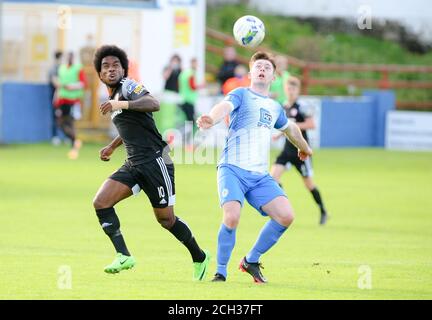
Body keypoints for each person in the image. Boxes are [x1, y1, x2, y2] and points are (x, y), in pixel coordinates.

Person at [92, 45, 210, 281]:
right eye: (106, 66)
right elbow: (130, 125)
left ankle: (199, 256)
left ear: (123, 69)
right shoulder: (113, 96)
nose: (111, 69)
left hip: (156, 161)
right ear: (100, 74)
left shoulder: (128, 86)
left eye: (116, 65)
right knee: (101, 202)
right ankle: (123, 255)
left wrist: (121, 104)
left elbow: (153, 103)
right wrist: (112, 146)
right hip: (133, 163)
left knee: (166, 220)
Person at [197, 52, 312, 283]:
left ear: (273, 77)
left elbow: (290, 129)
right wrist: (211, 118)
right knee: (231, 217)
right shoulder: (241, 94)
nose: (262, 69)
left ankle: (250, 260)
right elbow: (224, 106)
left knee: (286, 216)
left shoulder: (275, 106)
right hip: (233, 169)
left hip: (260, 176)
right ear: (250, 74)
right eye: (258, 66)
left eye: (267, 68)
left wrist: (304, 147)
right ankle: (221, 271)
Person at [270, 76, 329, 225]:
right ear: (285, 89)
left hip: (301, 152)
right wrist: (279, 134)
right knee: (273, 178)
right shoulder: (283, 106)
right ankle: (283, 208)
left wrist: (293, 126)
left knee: (308, 184)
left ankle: (323, 211)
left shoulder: (302, 106)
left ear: (298, 90)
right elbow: (285, 126)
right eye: (288, 88)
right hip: (287, 150)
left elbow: (311, 124)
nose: (291, 91)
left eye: (294, 89)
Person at [55, 52, 86, 159]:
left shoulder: (78, 68)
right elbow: (59, 84)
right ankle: (75, 140)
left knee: (70, 122)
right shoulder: (62, 68)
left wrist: (71, 86)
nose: (69, 59)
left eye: (71, 57)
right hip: (62, 100)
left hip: (73, 100)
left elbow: (82, 83)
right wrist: (56, 97)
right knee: (60, 123)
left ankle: (73, 147)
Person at [178, 57, 204, 150]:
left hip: (182, 99)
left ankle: (185, 141)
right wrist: (201, 86)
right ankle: (187, 142)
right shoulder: (191, 74)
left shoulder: (184, 73)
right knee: (190, 122)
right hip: (189, 100)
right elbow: (192, 86)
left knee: (187, 121)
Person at [48, 50, 63, 145]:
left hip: (64, 97)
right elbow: (56, 83)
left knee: (65, 116)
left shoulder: (64, 69)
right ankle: (55, 136)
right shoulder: (53, 69)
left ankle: (66, 136)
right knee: (55, 116)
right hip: (55, 96)